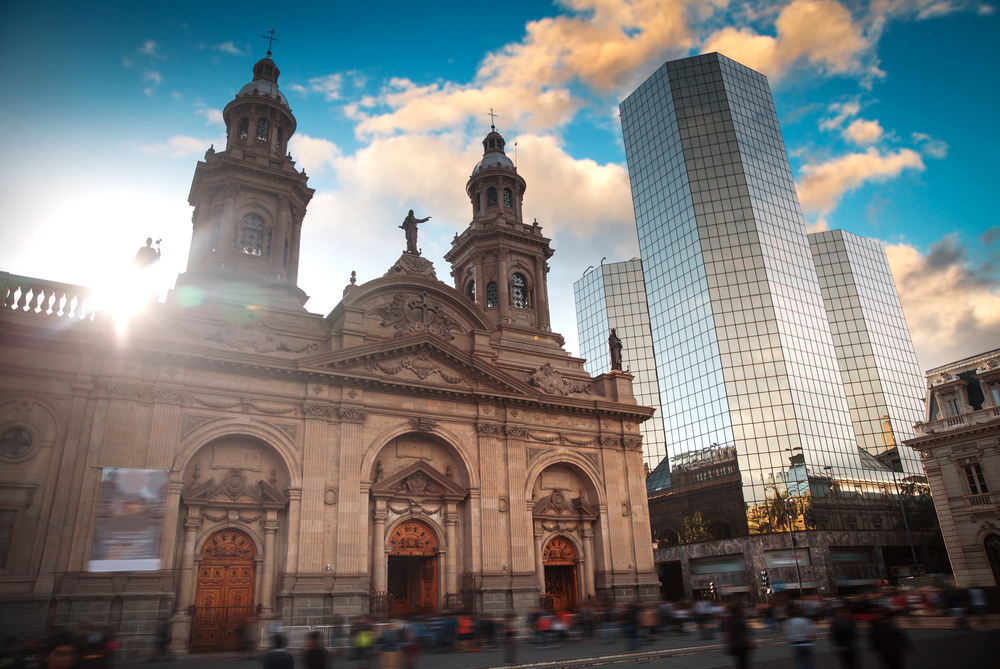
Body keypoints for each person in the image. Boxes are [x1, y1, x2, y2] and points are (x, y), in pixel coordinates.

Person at [721, 605, 752, 669]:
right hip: (741, 644)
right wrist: (749, 641)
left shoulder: (727, 620)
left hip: (733, 644)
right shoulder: (739, 620)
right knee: (743, 662)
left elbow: (724, 633)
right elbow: (744, 632)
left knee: (738, 662)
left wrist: (726, 644)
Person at [786, 604, 815, 669]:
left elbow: (788, 634)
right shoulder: (806, 620)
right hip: (806, 643)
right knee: (809, 662)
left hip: (795, 644)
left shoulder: (789, 621)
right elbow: (811, 632)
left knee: (799, 662)